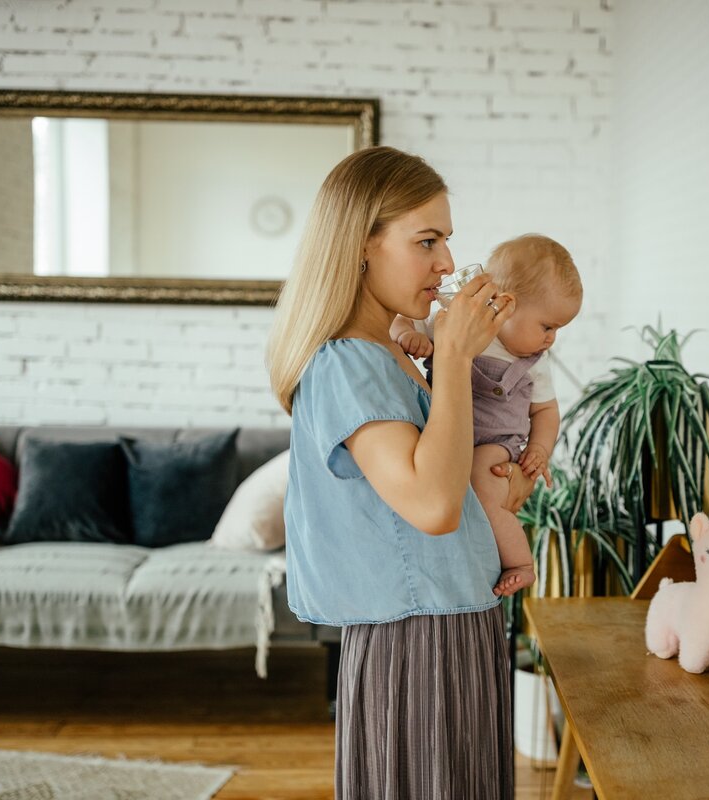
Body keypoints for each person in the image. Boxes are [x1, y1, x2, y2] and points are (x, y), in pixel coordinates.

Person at [266, 146, 535, 799]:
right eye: (427, 240)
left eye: (447, 240)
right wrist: (452, 350)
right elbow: (430, 506)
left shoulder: (393, 353)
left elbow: (447, 488)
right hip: (418, 643)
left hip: (454, 623)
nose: (446, 262)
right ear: (362, 245)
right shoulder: (346, 364)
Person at [389, 235, 582, 597]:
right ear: (507, 304)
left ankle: (520, 563)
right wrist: (407, 336)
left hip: (495, 444)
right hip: (444, 434)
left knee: (484, 484)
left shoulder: (534, 364)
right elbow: (403, 321)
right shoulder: (456, 324)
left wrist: (539, 449)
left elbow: (545, 410)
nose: (551, 339)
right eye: (548, 326)